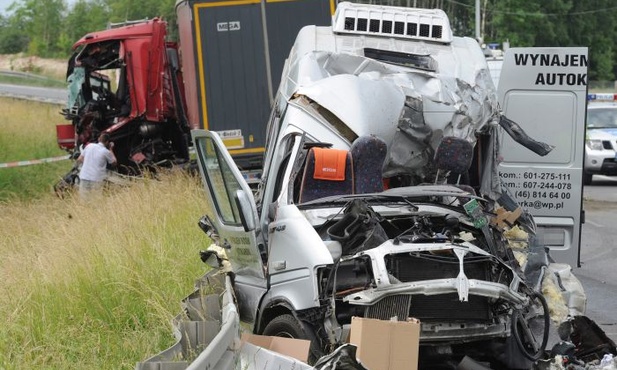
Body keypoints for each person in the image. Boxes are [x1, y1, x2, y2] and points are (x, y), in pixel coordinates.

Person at [77, 133, 117, 199]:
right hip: (96, 179)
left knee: (84, 200)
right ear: (107, 142)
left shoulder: (89, 146)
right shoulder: (106, 152)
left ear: (99, 139)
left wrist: (89, 163)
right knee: (96, 201)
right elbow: (114, 163)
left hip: (84, 176)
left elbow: (80, 159)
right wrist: (111, 149)